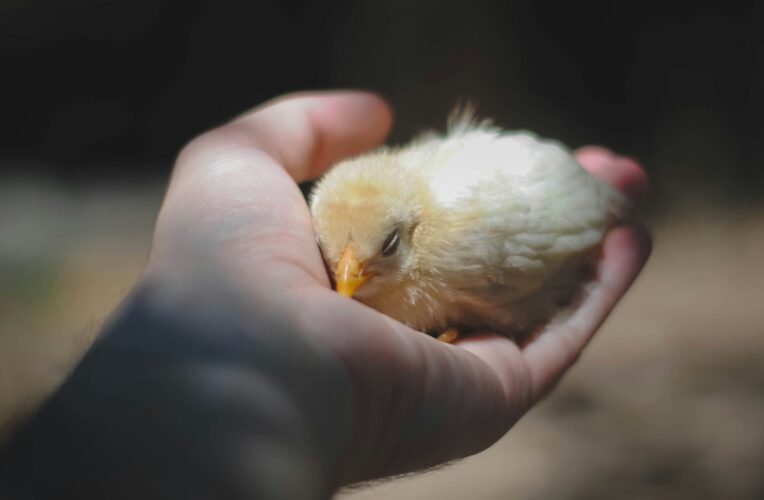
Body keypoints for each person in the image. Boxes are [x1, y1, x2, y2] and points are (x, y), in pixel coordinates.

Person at [0, 91, 651, 499]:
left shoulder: (465, 236)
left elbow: (572, 216)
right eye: (334, 257)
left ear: (415, 233)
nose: (347, 281)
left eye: (380, 257)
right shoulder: (363, 227)